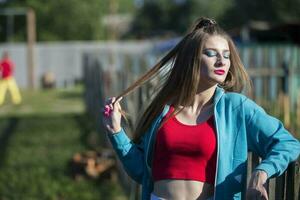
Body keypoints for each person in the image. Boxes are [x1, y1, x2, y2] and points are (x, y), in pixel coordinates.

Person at [102, 17, 300, 200]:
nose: (222, 61)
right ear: (192, 59)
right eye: (211, 53)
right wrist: (116, 131)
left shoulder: (236, 108)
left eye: (226, 55)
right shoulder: (163, 110)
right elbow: (142, 172)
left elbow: (288, 143)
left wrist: (261, 172)